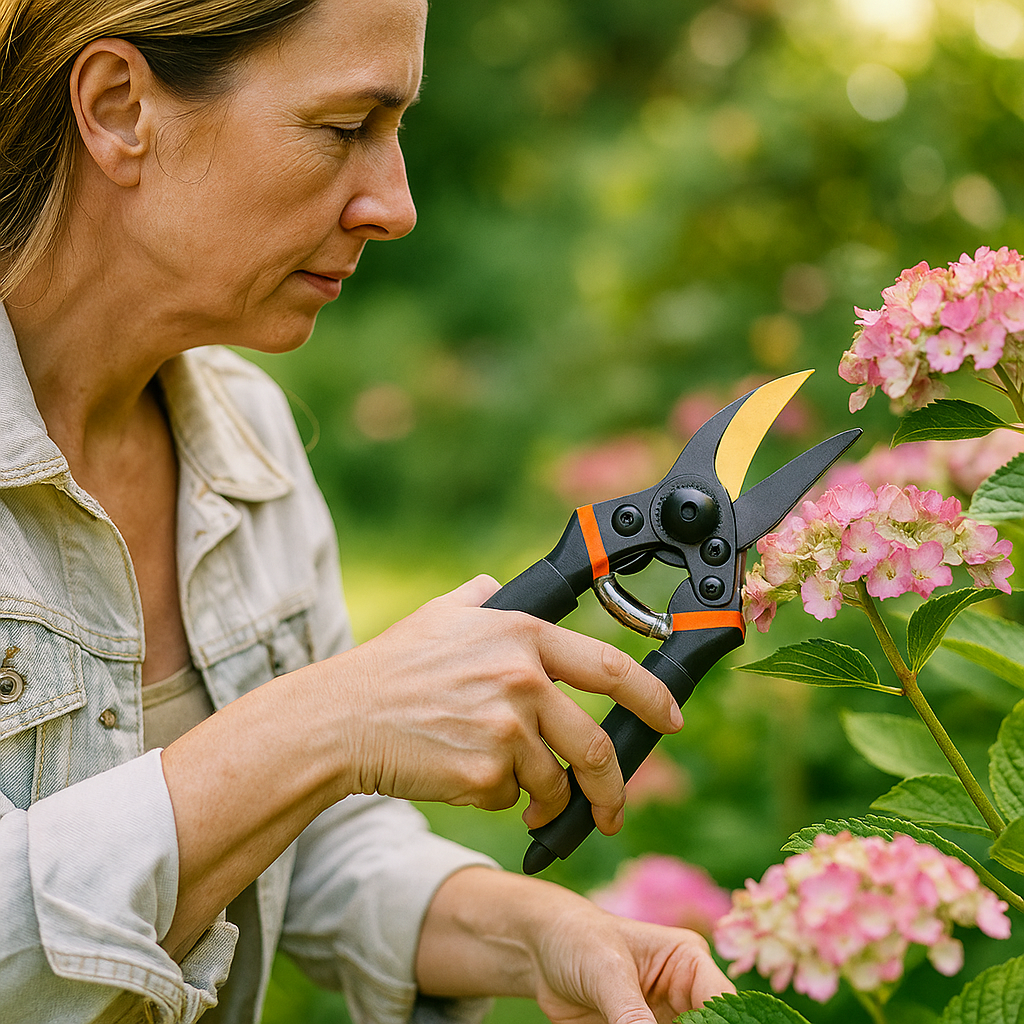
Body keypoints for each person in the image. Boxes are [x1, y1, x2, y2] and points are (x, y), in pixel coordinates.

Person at [0, 1, 735, 1021]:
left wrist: (530, 931)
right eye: (345, 127)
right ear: (121, 108)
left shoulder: (245, 438)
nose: (396, 205)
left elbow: (304, 843)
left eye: (393, 133)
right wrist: (331, 721)